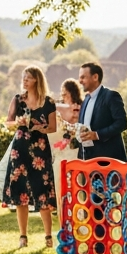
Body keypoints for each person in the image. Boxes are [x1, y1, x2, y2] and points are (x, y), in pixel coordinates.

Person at [3, 66, 57, 248]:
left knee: (42, 190)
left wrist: (39, 128)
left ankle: (48, 236)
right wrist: (17, 122)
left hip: (40, 150)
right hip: (20, 149)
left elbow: (52, 127)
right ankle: (23, 237)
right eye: (23, 77)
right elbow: (8, 122)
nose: (24, 81)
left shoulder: (49, 102)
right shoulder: (18, 100)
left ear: (37, 80)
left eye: (28, 78)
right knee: (20, 192)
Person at [77, 62, 127, 161]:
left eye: (83, 77)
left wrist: (97, 135)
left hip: (110, 160)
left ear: (95, 77)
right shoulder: (86, 100)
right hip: (88, 161)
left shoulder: (111, 96)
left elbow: (122, 123)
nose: (80, 81)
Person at [52, 78, 82, 206]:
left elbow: (77, 125)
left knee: (76, 183)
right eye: (62, 93)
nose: (63, 96)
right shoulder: (60, 108)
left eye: (66, 93)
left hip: (75, 150)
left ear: (72, 92)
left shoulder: (78, 107)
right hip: (61, 150)